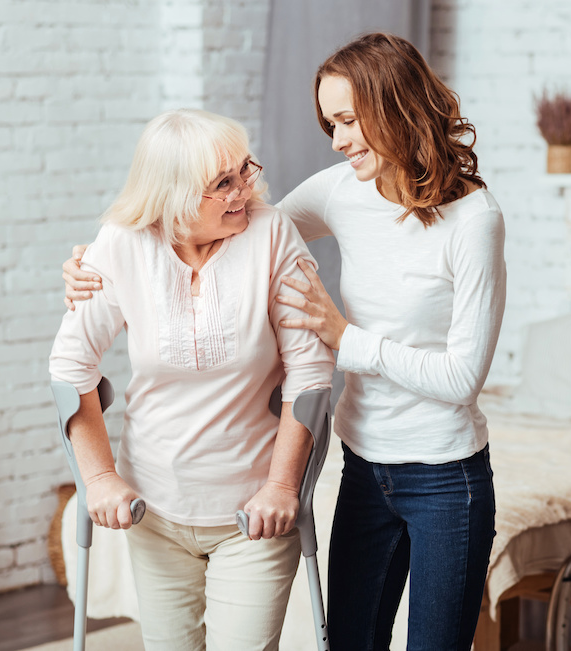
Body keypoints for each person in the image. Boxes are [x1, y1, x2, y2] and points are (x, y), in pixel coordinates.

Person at [62, 32, 506, 651]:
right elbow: (244, 228)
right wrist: (102, 259)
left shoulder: (475, 221)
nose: (337, 139)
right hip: (365, 465)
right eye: (331, 122)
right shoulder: (342, 189)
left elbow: (462, 380)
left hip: (444, 473)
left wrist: (345, 339)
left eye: (349, 120)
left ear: (396, 107)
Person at [51, 108, 334, 651]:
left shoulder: (272, 234)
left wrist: (281, 487)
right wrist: (101, 477)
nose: (243, 192)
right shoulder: (122, 244)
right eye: (222, 184)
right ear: (174, 196)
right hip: (153, 510)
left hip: (253, 513)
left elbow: (311, 372)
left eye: (243, 172)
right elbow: (70, 367)